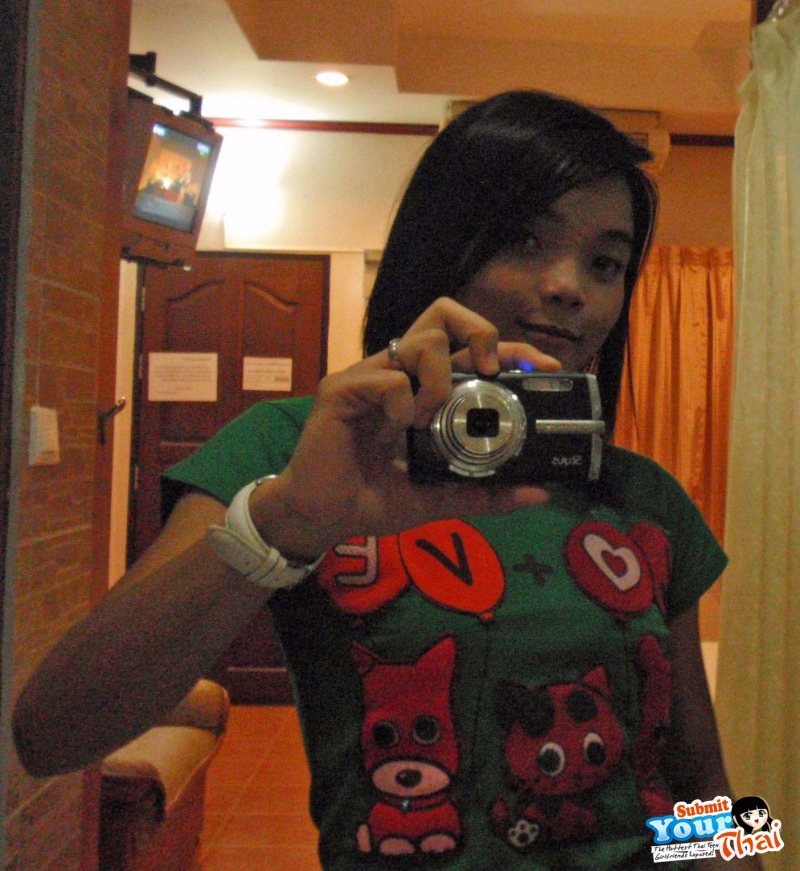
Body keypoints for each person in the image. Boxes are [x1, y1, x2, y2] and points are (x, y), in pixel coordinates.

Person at [14, 91, 735, 869]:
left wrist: (743, 852)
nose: (570, 285)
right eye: (525, 238)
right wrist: (284, 525)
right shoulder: (301, 449)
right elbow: (51, 734)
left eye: (606, 262)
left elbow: (700, 780)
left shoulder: (644, 497)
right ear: (442, 243)